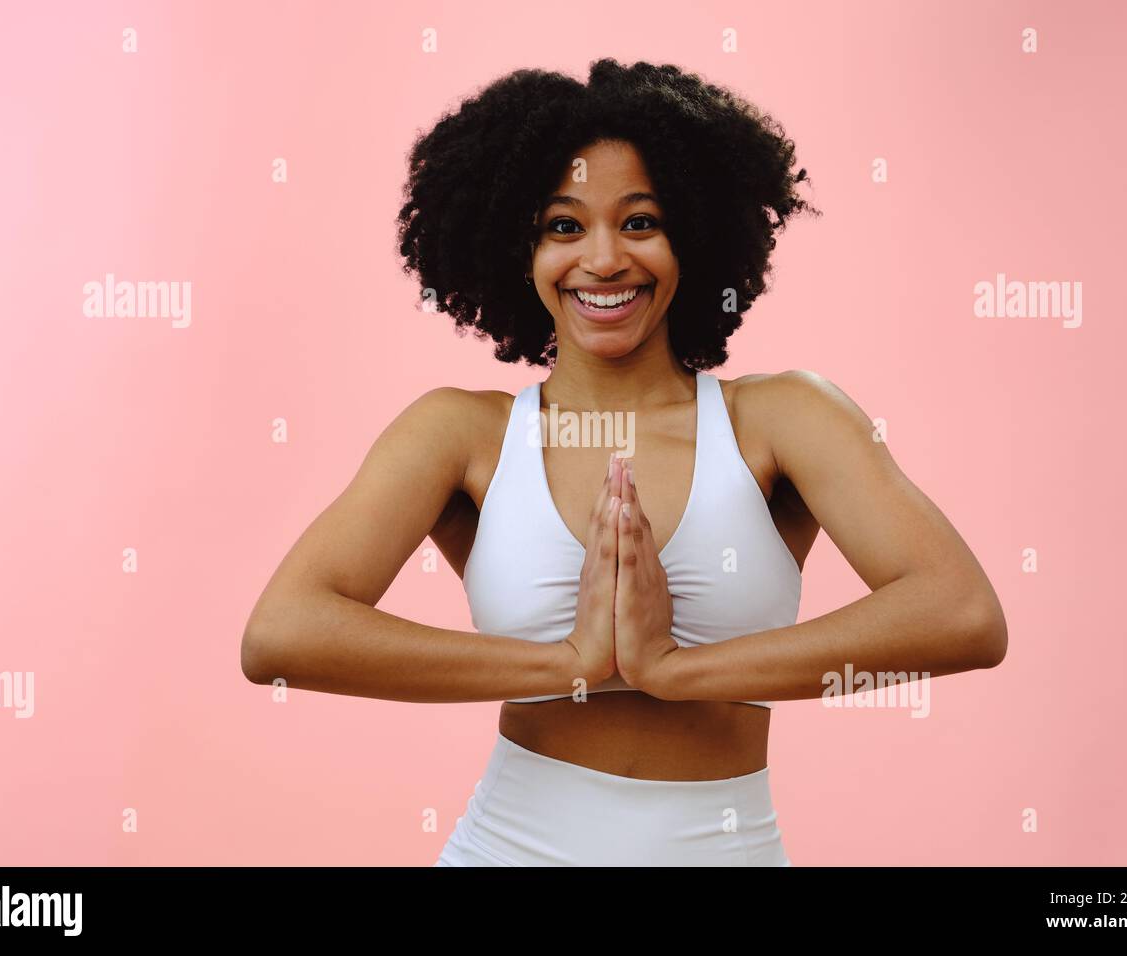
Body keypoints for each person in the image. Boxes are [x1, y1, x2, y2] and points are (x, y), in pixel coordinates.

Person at [240, 59, 1008, 866]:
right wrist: (568, 663)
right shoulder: (461, 435)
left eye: (640, 222)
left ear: (695, 236)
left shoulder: (781, 421)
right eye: (563, 227)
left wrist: (676, 671)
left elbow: (961, 615)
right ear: (516, 247)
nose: (603, 261)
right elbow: (280, 635)